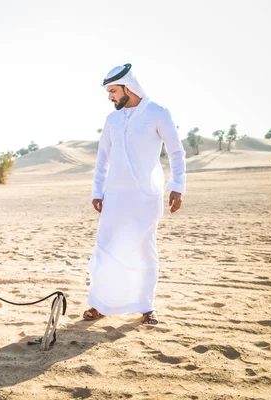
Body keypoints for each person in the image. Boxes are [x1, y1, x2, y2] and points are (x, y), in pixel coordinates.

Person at [83, 63, 186, 325]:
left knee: (143, 250)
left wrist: (177, 186)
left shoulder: (157, 113)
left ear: (129, 87)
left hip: (146, 197)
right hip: (115, 196)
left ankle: (146, 307)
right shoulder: (112, 120)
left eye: (114, 91)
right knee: (105, 249)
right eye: (109, 92)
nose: (110, 97)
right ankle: (99, 304)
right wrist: (98, 190)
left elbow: (176, 152)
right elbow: (103, 158)